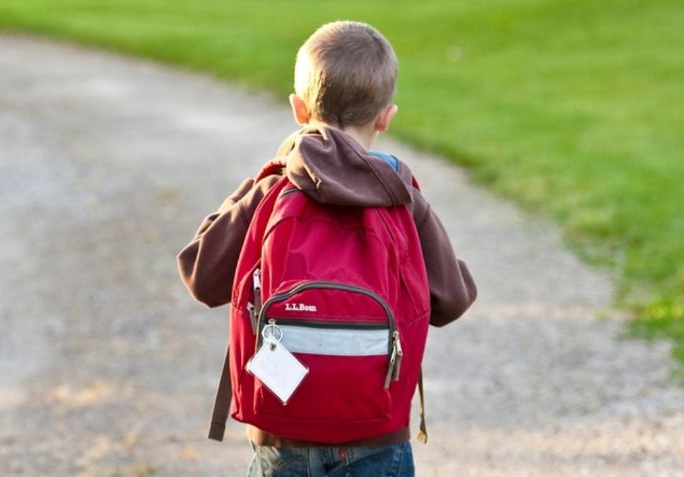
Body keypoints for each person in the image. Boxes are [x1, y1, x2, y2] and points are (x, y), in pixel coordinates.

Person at [177, 20, 476, 477]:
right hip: (376, 433)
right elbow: (451, 301)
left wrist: (255, 185)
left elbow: (201, 275)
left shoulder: (274, 189)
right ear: (385, 117)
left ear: (298, 109)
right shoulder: (402, 197)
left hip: (282, 434)